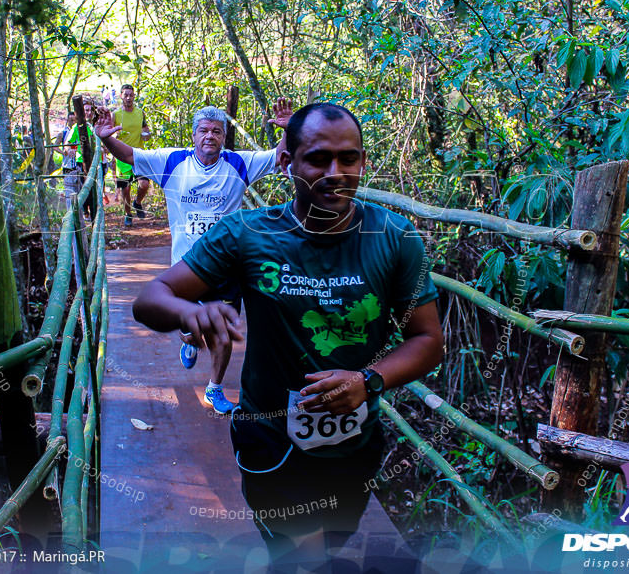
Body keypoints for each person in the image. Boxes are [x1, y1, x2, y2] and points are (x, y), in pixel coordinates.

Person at [131, 102, 444, 567]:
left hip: (355, 442)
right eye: (318, 159)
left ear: (363, 162)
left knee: (330, 541)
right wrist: (187, 313)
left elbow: (428, 340)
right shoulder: (247, 233)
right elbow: (149, 299)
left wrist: (368, 381)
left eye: (349, 158)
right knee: (302, 549)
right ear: (287, 161)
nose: (335, 172)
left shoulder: (394, 237)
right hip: (270, 436)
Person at [94, 100, 291, 413]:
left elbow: (277, 159)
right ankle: (187, 340)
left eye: (216, 131)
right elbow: (130, 155)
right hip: (186, 268)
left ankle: (214, 389)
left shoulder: (239, 164)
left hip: (227, 267)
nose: (209, 136)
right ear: (194, 134)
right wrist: (105, 138)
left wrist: (287, 130)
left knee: (223, 333)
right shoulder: (172, 161)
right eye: (203, 130)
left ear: (224, 137)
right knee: (191, 331)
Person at [112, 84, 151, 226]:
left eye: (131, 95)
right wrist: (114, 137)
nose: (128, 98)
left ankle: (137, 202)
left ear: (134, 96)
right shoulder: (116, 114)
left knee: (144, 184)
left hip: (138, 155)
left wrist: (146, 135)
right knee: (125, 188)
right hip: (122, 156)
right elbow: (109, 134)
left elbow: (146, 130)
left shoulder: (140, 112)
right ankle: (128, 214)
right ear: (121, 96)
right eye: (126, 95)